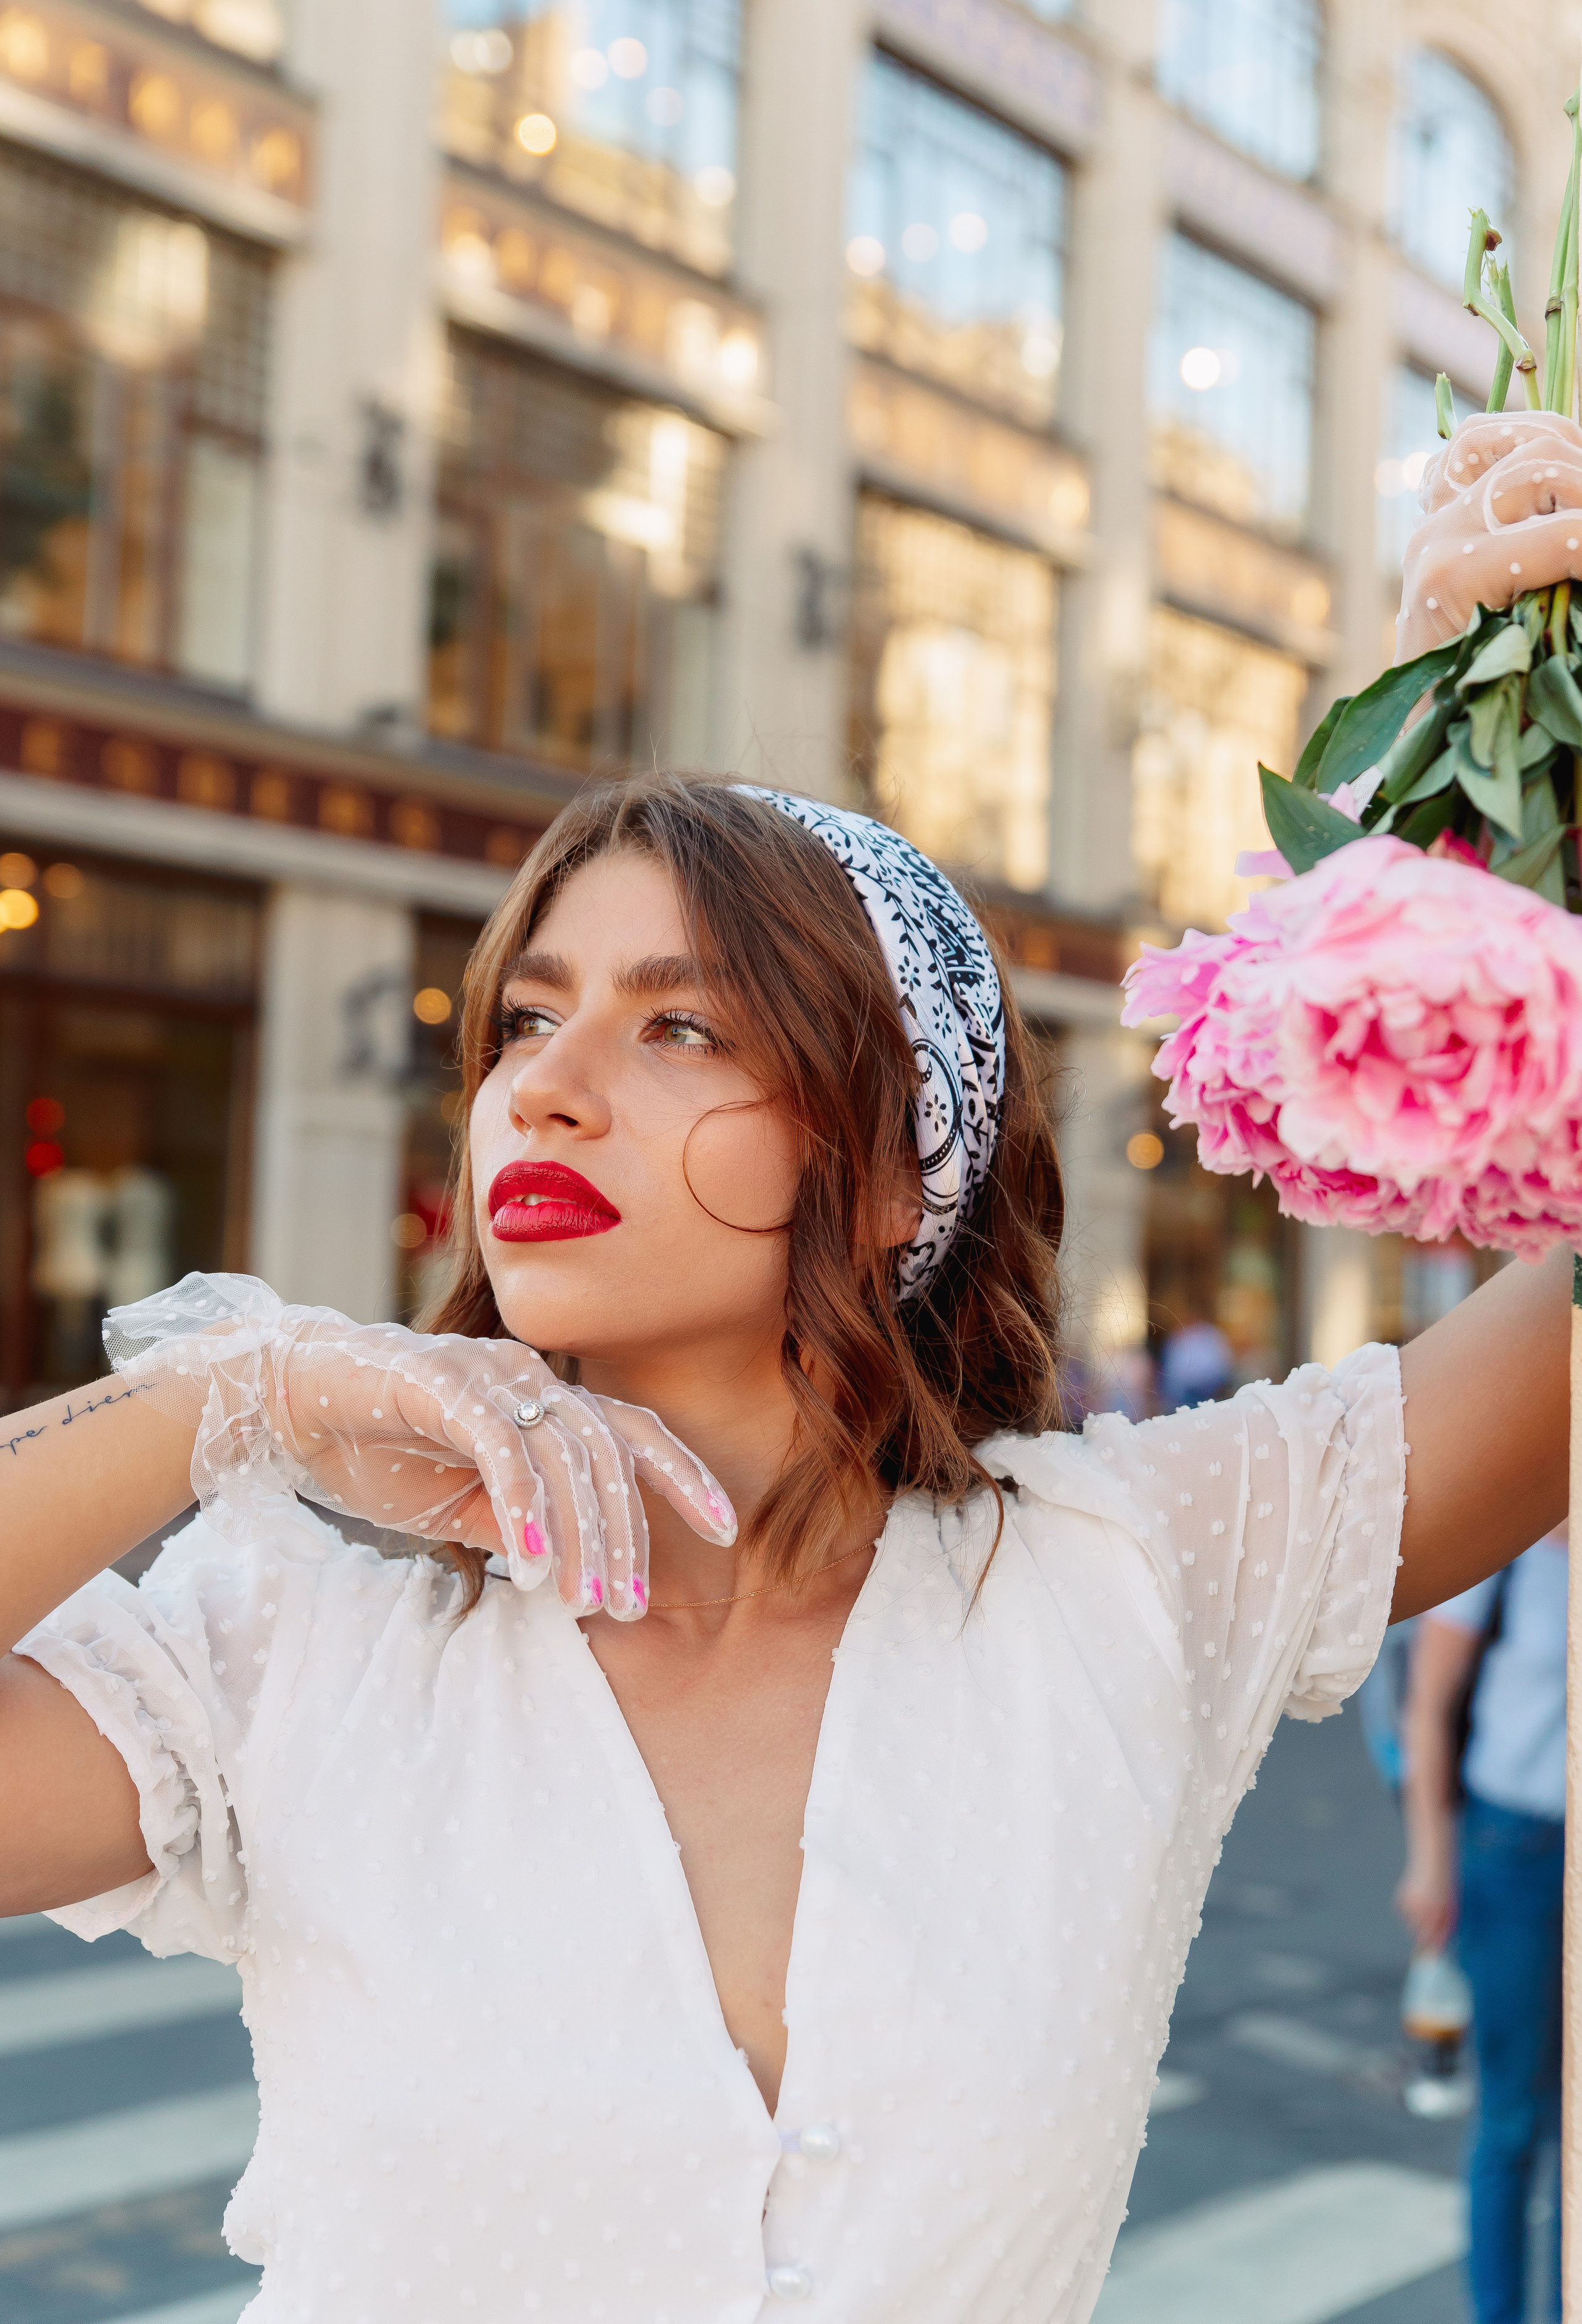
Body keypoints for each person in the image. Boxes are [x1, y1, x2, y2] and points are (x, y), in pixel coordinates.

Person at [0, 766, 1572, 2320]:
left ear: (899, 1165)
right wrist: (224, 1395)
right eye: (527, 1022)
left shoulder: (1131, 1575)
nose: (542, 1087)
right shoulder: (291, 1643)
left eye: (679, 1024)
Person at [1397, 1527, 1568, 2324]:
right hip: (1516, 1852)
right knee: (1512, 2118)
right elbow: (1428, 1705)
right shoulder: (1509, 1548)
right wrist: (1431, 1859)